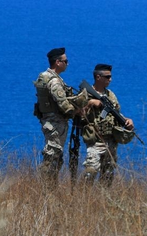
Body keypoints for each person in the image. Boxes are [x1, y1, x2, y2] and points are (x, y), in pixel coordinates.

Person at [34, 47, 80, 190]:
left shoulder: (44, 76)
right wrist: (77, 111)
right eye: (66, 61)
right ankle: (46, 188)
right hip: (55, 123)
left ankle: (50, 187)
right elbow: (63, 103)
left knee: (55, 155)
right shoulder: (54, 81)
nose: (67, 64)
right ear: (58, 62)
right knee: (53, 155)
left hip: (50, 121)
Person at [81, 64, 134, 186]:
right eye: (107, 77)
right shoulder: (86, 94)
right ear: (98, 77)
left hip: (111, 140)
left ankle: (103, 200)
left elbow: (116, 113)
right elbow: (78, 114)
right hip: (95, 139)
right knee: (91, 171)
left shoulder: (111, 95)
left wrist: (127, 120)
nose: (110, 79)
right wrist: (90, 103)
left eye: (110, 77)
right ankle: (83, 198)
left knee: (108, 174)